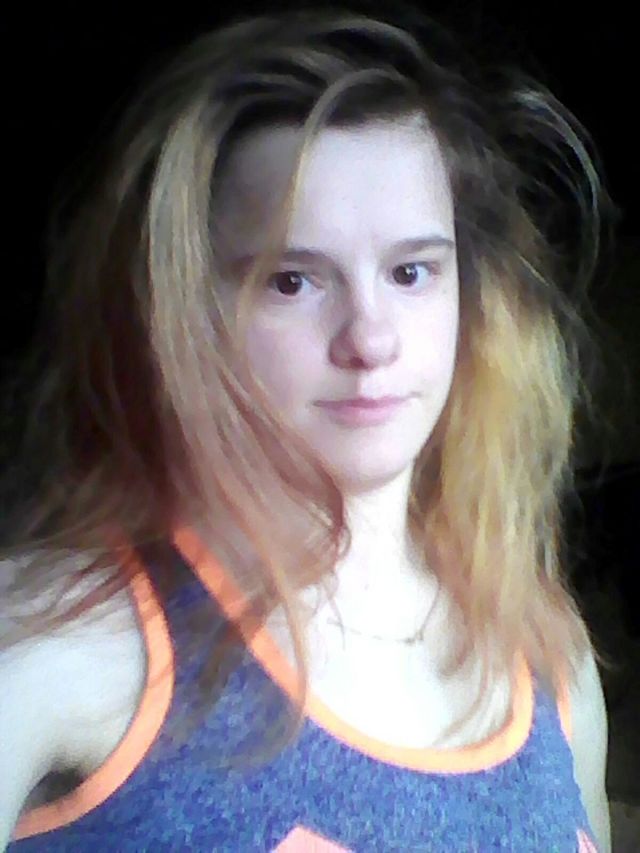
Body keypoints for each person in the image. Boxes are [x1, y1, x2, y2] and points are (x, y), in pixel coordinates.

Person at [0, 2, 615, 850]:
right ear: (187, 311)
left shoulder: (549, 659)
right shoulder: (55, 637)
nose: (370, 338)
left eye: (411, 272)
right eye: (293, 280)